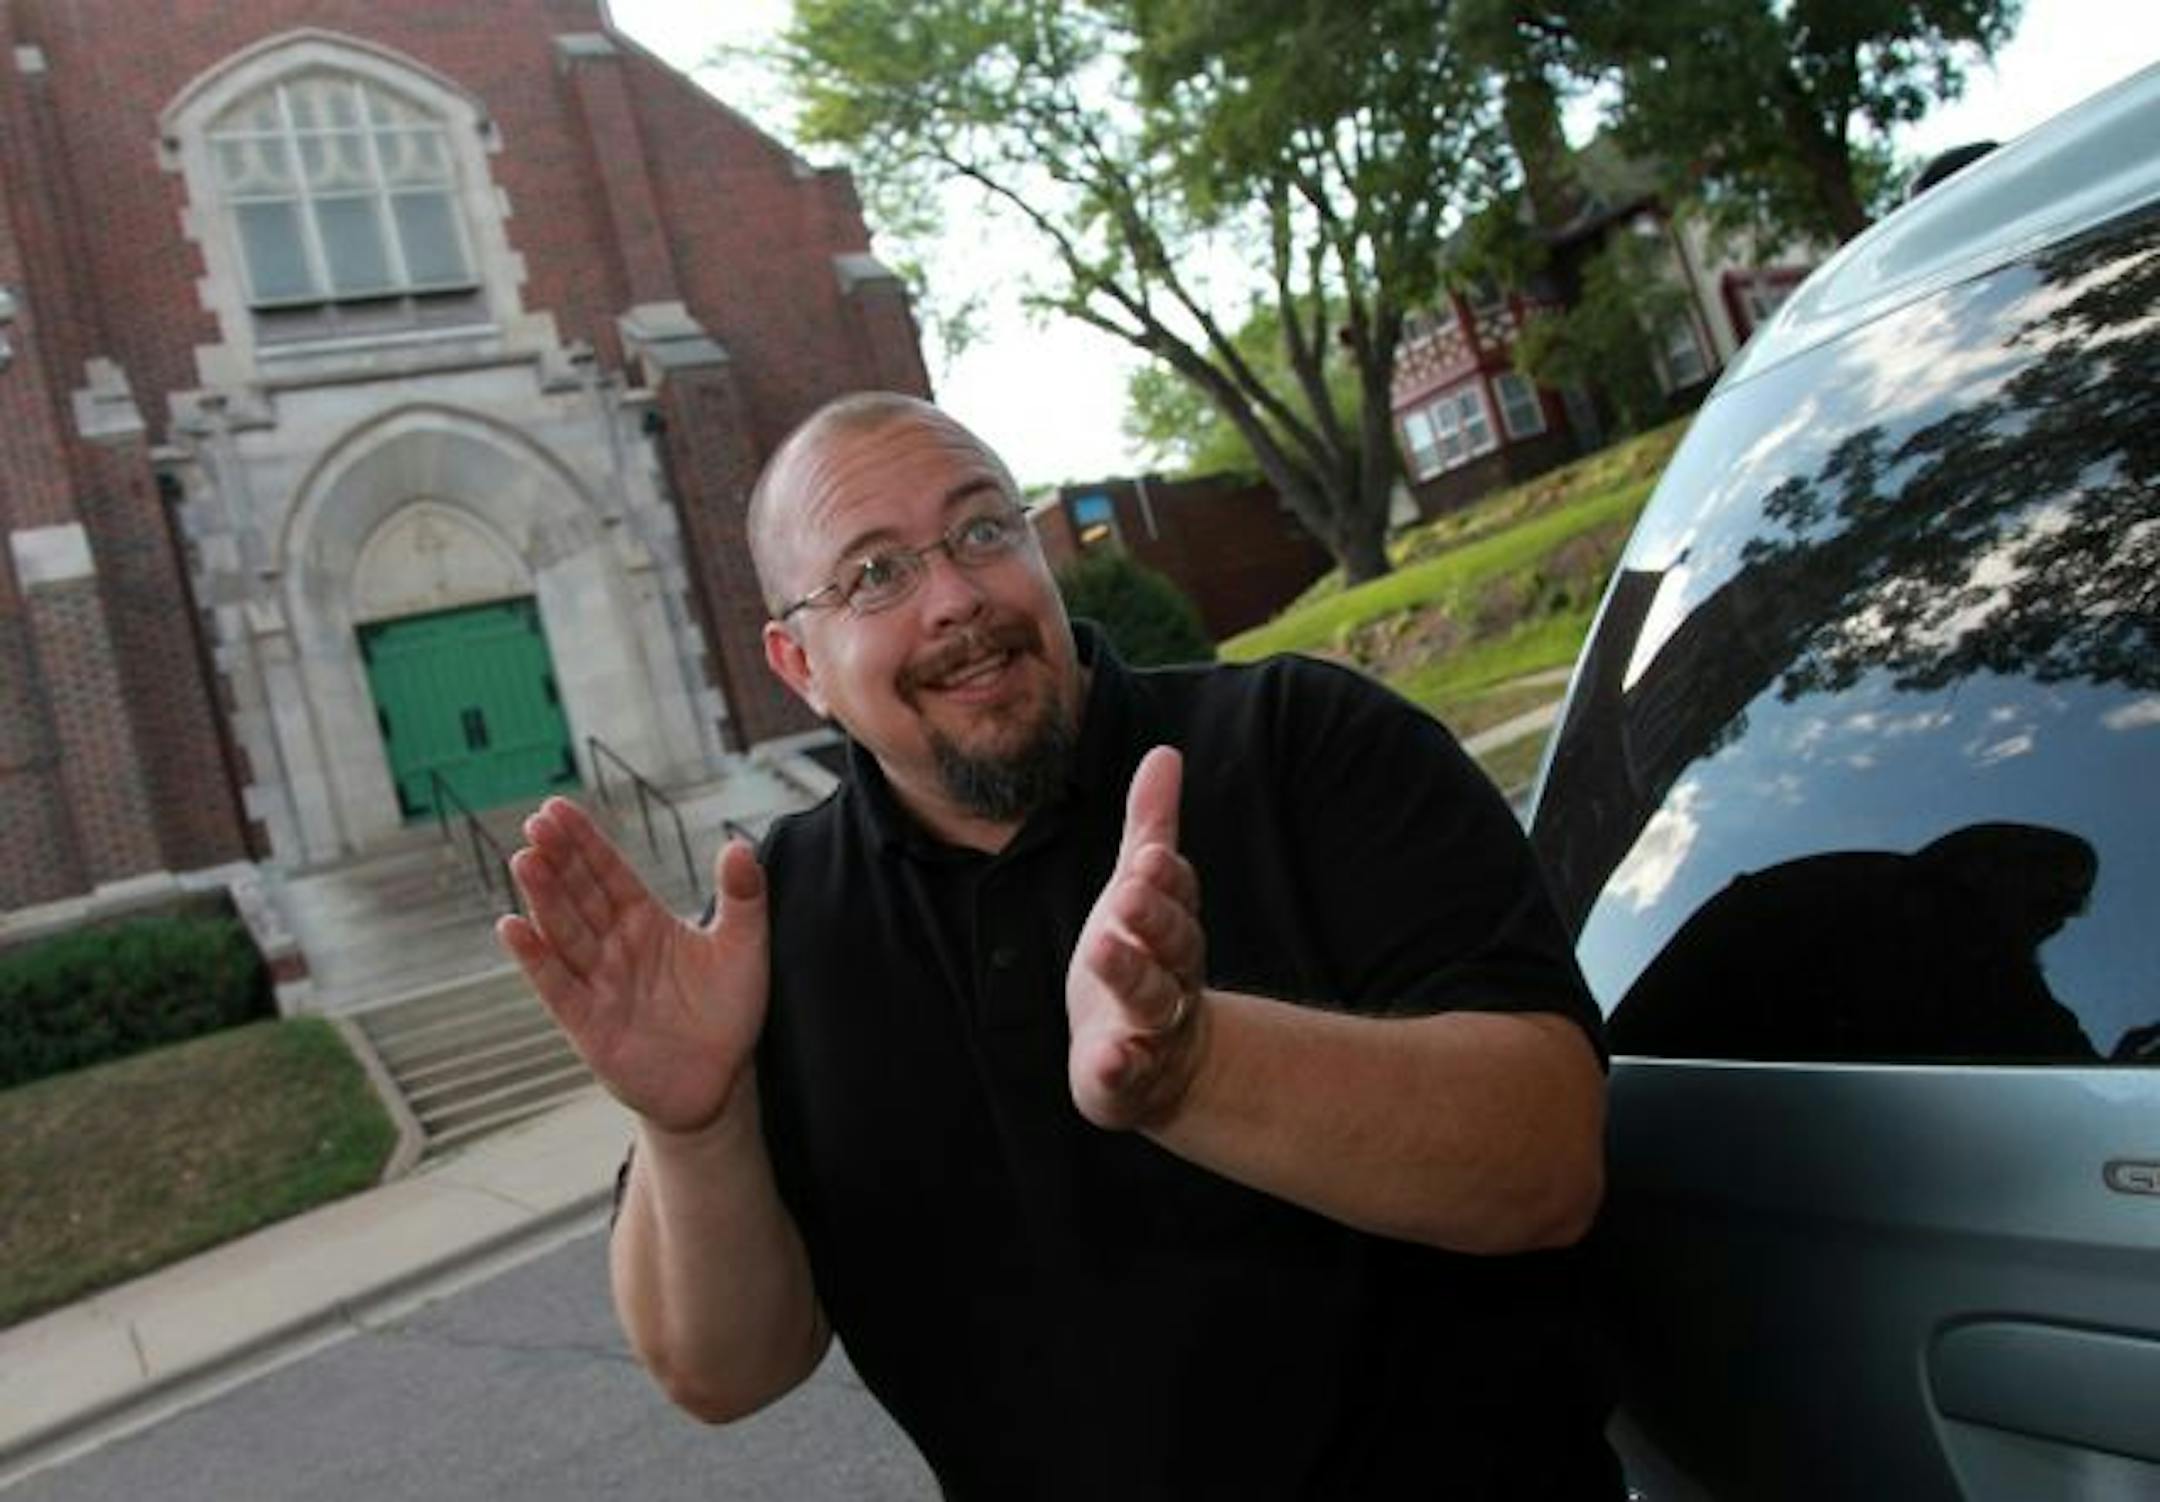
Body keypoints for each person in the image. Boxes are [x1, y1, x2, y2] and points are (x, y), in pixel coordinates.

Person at [501, 392, 1617, 1498]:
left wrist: (1197, 1066)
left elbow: (1547, 1163)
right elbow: (724, 1370)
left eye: (984, 529)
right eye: (876, 572)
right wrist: (693, 1123)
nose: (955, 597)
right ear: (800, 665)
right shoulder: (775, 924)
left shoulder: (1305, 744)